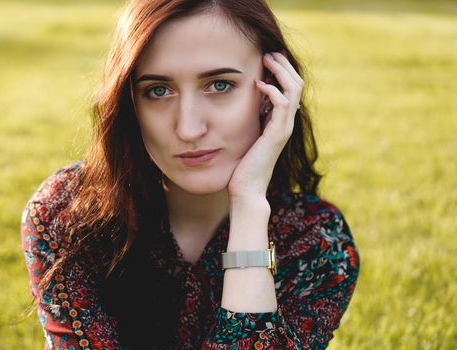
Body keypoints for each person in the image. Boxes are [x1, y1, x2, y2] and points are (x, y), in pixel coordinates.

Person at [20, 0, 361, 349]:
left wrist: (248, 208)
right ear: (129, 104)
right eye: (158, 90)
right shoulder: (67, 213)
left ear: (271, 90)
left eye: (219, 85)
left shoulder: (318, 244)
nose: (188, 128)